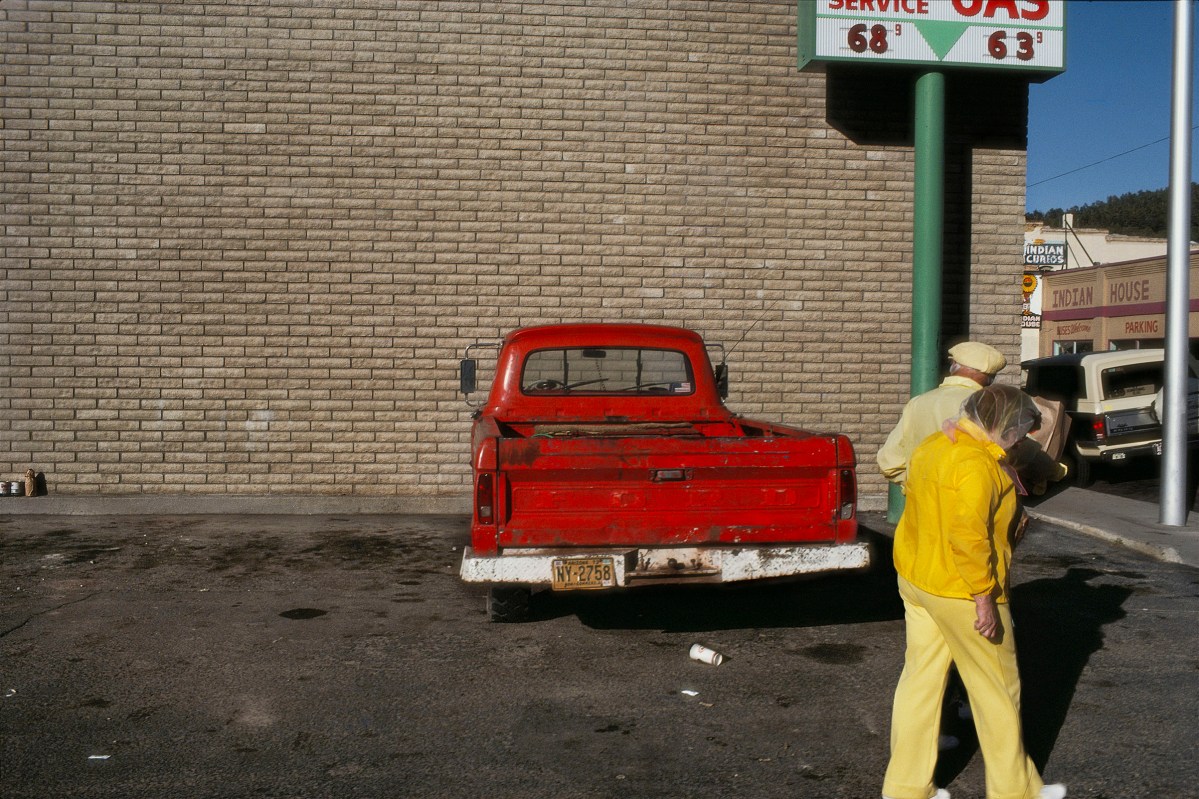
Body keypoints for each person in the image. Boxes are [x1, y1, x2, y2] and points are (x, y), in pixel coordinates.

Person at [881, 384, 1066, 799]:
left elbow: (915, 494)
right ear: (1004, 426)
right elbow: (969, 538)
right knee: (997, 691)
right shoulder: (978, 465)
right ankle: (1015, 792)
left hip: (917, 578)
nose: (1021, 440)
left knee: (920, 682)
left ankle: (906, 789)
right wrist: (984, 597)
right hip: (963, 591)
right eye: (1020, 431)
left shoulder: (933, 444)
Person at [877, 341, 1007, 487]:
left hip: (923, 500)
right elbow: (1015, 457)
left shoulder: (917, 403)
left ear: (954, 366)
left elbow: (889, 461)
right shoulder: (993, 405)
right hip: (975, 497)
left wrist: (918, 484)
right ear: (990, 377)